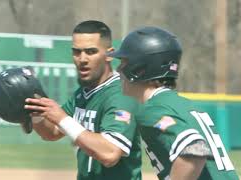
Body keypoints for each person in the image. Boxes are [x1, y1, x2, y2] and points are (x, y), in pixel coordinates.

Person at [108, 26, 239, 180]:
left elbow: (194, 149)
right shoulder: (182, 104)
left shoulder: (153, 110)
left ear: (139, 69)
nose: (118, 69)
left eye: (123, 62)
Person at [21, 20, 143, 180]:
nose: (82, 59)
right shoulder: (83, 94)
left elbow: (110, 153)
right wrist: (34, 112)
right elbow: (52, 132)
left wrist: (62, 118)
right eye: (77, 52)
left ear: (109, 55)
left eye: (91, 51)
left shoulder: (121, 94)